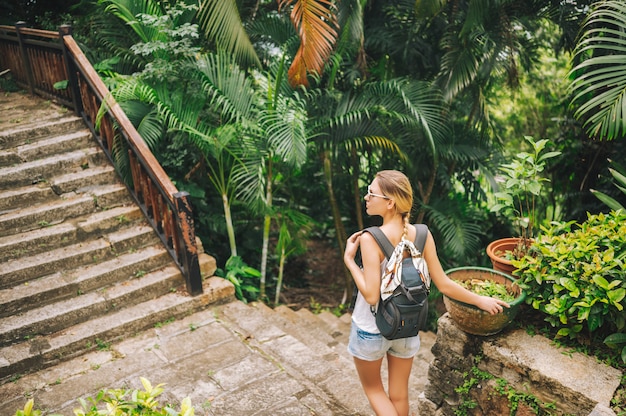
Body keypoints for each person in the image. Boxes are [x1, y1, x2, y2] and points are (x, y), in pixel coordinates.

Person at [343, 170, 509, 416]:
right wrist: (480, 300)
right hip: (408, 325)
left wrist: (349, 260)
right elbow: (443, 283)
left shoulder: (371, 239)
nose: (366, 197)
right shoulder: (422, 234)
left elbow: (370, 296)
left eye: (371, 193)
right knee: (399, 395)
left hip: (371, 328)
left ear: (390, 202)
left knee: (375, 391)